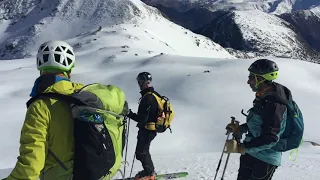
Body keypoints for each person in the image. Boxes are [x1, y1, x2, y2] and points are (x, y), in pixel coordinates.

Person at [5, 40, 84, 180]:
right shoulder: (85, 97)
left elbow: (31, 164)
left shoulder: (41, 106)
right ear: (70, 71)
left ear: (41, 69)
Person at [224, 59, 293, 180]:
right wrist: (242, 128)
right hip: (251, 153)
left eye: (251, 77)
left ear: (261, 79)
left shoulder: (275, 104)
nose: (248, 81)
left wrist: (242, 147)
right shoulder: (264, 96)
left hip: (265, 159)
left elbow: (271, 138)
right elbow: (262, 123)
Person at [127, 72, 159, 180]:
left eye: (139, 82)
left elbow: (142, 118)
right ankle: (148, 171)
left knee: (142, 152)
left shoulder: (148, 98)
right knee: (142, 152)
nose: (138, 84)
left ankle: (150, 173)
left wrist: (129, 114)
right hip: (148, 129)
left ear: (142, 82)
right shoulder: (151, 95)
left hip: (148, 130)